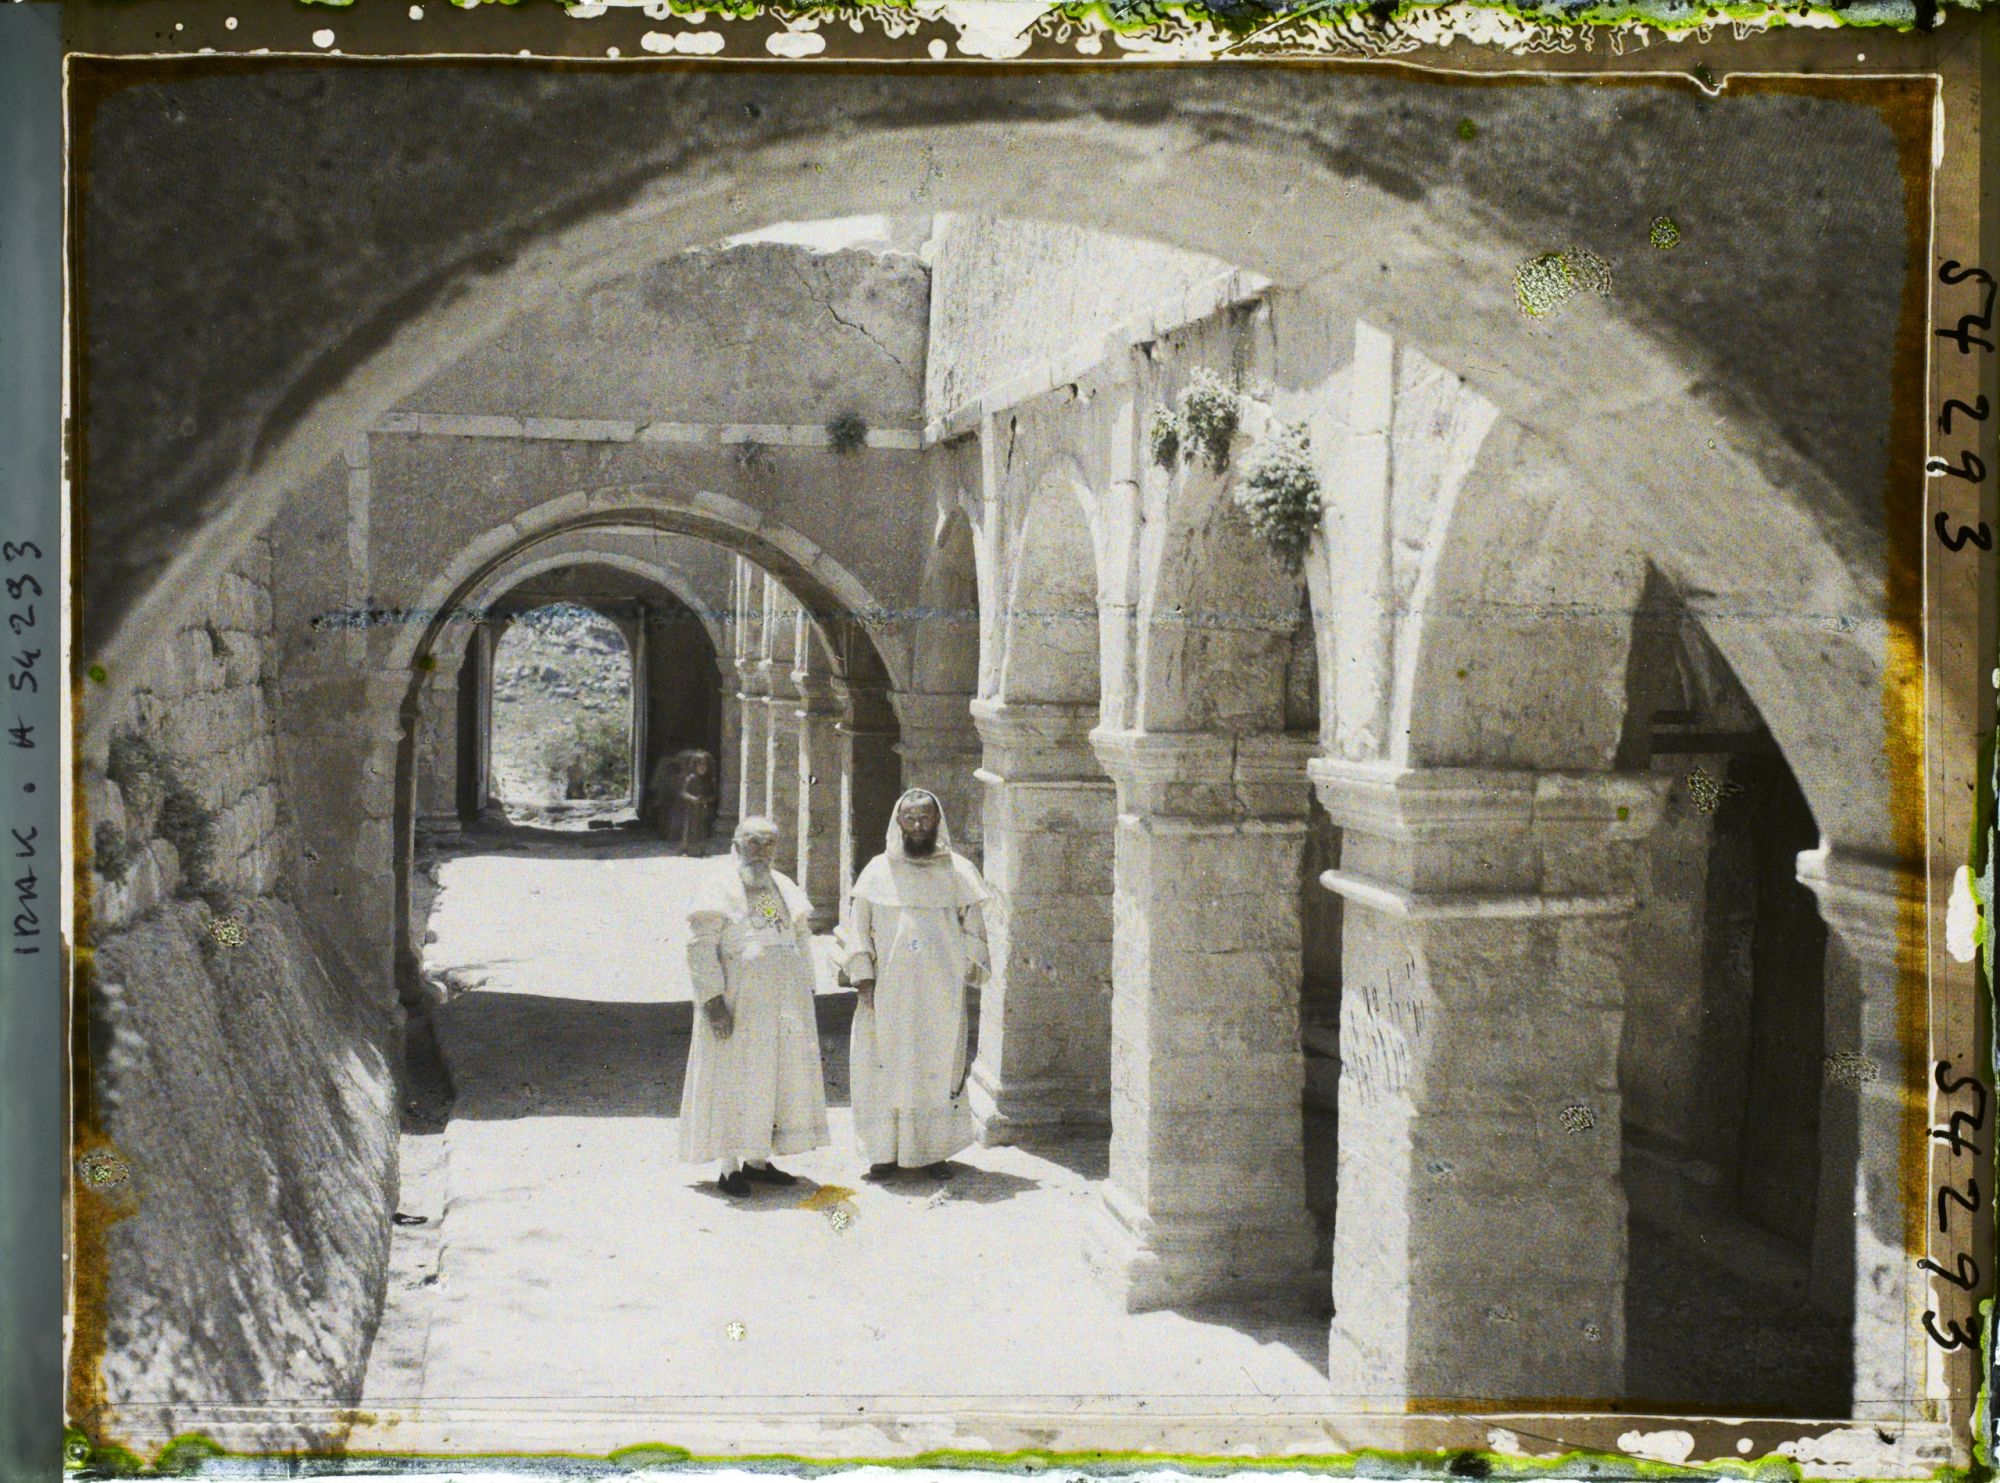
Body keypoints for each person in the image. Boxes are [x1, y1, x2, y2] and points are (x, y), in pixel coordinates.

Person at [840, 788, 990, 1181]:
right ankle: (884, 1154)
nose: (919, 826)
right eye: (911, 819)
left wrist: (962, 969)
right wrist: (863, 978)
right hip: (887, 992)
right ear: (899, 822)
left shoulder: (958, 871)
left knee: (935, 1066)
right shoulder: (877, 871)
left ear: (937, 821)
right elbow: (859, 929)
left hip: (940, 992)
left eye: (925, 818)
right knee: (883, 1067)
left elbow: (975, 931)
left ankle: (931, 1153)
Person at [679, 816, 829, 1196]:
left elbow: (789, 937)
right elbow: (700, 948)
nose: (760, 851)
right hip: (737, 1000)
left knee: (771, 1076)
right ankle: (729, 1167)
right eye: (752, 842)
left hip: (781, 1003)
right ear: (735, 845)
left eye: (768, 844)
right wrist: (713, 1002)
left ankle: (758, 1161)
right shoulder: (718, 887)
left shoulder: (779, 887)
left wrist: (807, 990)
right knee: (732, 1076)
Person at [677, 750, 718, 856]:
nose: (702, 767)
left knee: (703, 829)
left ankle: (701, 849)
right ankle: (686, 849)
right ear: (695, 765)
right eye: (699, 764)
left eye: (705, 765)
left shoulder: (710, 780)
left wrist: (707, 800)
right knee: (689, 829)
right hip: (691, 808)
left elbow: (714, 795)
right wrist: (693, 798)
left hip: (704, 808)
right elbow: (683, 792)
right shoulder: (690, 779)